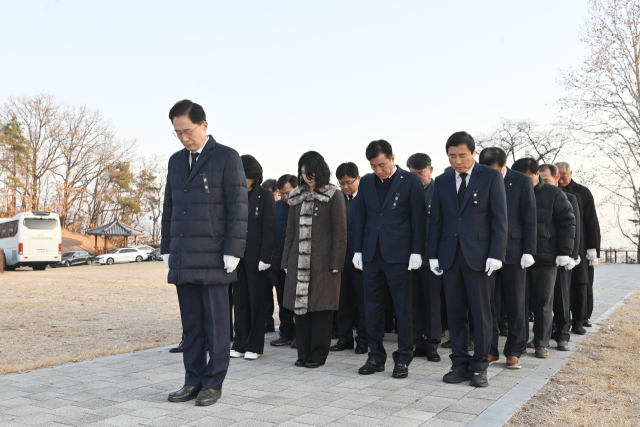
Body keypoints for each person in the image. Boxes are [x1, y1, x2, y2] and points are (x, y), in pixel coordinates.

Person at [162, 99, 248, 406]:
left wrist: (233, 249)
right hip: (184, 256)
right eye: (177, 133)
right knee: (193, 326)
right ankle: (192, 381)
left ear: (204, 126)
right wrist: (166, 248)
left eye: (187, 131)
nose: (184, 138)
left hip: (215, 257)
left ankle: (213, 382)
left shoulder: (227, 157)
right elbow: (169, 207)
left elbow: (238, 207)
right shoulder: (175, 161)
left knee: (217, 325)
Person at [428, 132, 508, 388]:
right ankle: (459, 363)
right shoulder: (441, 181)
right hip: (451, 256)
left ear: (473, 153)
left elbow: (499, 218)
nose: (458, 161)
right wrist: (433, 255)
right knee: (455, 313)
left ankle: (480, 366)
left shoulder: (491, 176)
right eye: (452, 156)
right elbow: (436, 221)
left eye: (462, 155)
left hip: (480, 257)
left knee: (482, 313)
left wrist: (496, 254)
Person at [353, 140, 426, 379]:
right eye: (373, 166)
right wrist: (358, 251)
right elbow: (360, 218)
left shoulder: (410, 181)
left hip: (400, 255)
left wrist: (417, 251)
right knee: (372, 307)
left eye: (382, 164)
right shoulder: (367, 183)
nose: (378, 170)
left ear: (393, 158)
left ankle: (403, 358)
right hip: (372, 254)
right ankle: (375, 356)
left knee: (402, 308)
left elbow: (418, 219)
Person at [282, 151, 347, 368]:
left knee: (320, 309)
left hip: (323, 263)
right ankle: (303, 353)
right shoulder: (296, 196)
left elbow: (340, 232)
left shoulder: (333, 195)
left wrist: (337, 263)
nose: (307, 179)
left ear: (319, 172)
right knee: (300, 309)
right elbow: (290, 232)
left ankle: (318, 355)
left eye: (310, 174)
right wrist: (286, 261)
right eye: (303, 174)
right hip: (298, 262)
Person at [478, 147, 536, 370]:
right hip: (486, 251)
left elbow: (529, 216)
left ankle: (514, 351)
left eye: (493, 170)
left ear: (503, 166)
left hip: (514, 250)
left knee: (516, 303)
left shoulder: (520, 181)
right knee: (489, 303)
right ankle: (491, 349)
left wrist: (529, 250)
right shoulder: (479, 178)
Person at [512, 158, 575, 359]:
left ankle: (541, 342)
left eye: (529, 177)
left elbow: (567, 222)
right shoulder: (512, 193)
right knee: (519, 302)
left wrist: (565, 252)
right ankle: (519, 342)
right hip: (518, 256)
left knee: (544, 301)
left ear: (536, 175)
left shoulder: (553, 193)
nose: (526, 181)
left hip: (546, 256)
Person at [230, 155, 276, 360]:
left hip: (257, 257)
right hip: (237, 256)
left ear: (255, 176)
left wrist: (266, 256)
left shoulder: (265, 195)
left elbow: (269, 229)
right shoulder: (233, 194)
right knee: (239, 301)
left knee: (256, 301)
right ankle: (239, 342)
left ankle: (254, 345)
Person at [539, 164, 581, 351]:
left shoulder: (570, 197)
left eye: (546, 180)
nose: (542, 183)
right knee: (543, 299)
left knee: (561, 296)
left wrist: (572, 255)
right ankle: (543, 336)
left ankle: (562, 334)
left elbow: (575, 228)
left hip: (562, 256)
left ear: (556, 179)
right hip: (544, 256)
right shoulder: (536, 197)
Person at [406, 153, 442, 362]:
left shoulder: (439, 190)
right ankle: (417, 341)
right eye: (413, 173)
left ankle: (432, 343)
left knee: (432, 302)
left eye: (421, 173)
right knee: (413, 302)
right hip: (410, 255)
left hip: (431, 256)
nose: (418, 177)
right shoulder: (407, 189)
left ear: (431, 170)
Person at [556, 161, 601, 330]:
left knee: (582, 282)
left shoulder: (582, 192)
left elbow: (591, 221)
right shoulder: (554, 191)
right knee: (562, 285)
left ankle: (581, 318)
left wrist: (593, 247)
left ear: (571, 173)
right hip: (561, 245)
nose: (561, 180)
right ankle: (561, 321)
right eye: (558, 177)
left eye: (564, 176)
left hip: (581, 244)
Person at [330, 162, 368, 354]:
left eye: (348, 182)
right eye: (341, 183)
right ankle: (344, 338)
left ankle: (363, 339)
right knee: (342, 300)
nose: (345, 187)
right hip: (341, 258)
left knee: (363, 302)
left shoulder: (367, 198)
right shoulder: (338, 201)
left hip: (362, 259)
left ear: (358, 179)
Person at [268, 174, 299, 348]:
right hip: (278, 261)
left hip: (296, 263)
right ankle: (286, 331)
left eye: (288, 193)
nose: (285, 197)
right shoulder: (275, 208)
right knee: (282, 297)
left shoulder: (303, 207)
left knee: (297, 299)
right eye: (282, 194)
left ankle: (299, 334)